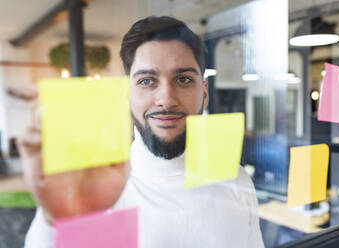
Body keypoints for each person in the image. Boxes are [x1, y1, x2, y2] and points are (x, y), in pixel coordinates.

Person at [20, 16, 264, 248]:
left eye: (183, 80)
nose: (166, 99)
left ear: (205, 93)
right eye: (147, 81)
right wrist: (58, 218)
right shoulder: (97, 193)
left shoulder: (237, 181)